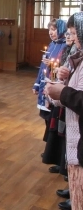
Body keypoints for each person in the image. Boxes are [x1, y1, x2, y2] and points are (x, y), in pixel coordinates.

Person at [45, 12, 83, 210]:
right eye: (70, 33)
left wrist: (63, 91)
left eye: (76, 33)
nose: (73, 38)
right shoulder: (78, 56)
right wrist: (63, 78)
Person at [32, 18, 67, 173]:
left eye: (54, 30)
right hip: (45, 85)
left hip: (55, 88)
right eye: (49, 31)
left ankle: (53, 151)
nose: (51, 33)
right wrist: (37, 85)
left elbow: (61, 69)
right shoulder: (52, 45)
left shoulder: (65, 46)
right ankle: (49, 149)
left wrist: (52, 65)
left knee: (52, 121)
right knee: (46, 119)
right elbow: (42, 69)